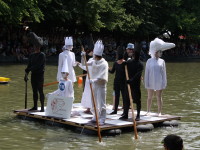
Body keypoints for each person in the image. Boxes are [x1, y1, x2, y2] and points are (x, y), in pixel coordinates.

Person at [144, 38, 175, 116]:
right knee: (149, 97)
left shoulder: (162, 61)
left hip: (159, 81)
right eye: (159, 51)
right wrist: (146, 83)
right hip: (150, 81)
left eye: (161, 51)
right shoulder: (149, 61)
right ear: (155, 52)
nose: (161, 53)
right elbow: (146, 73)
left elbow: (164, 73)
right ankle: (148, 110)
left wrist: (164, 83)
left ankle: (159, 112)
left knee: (159, 97)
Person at [81, 40, 108, 125]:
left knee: (101, 102)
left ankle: (102, 118)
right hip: (94, 85)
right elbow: (84, 64)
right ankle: (95, 115)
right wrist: (83, 56)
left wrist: (93, 80)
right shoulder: (93, 61)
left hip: (100, 85)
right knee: (93, 101)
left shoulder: (104, 63)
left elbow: (102, 76)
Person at [120, 43, 144, 121]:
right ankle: (125, 114)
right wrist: (123, 64)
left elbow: (138, 74)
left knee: (137, 100)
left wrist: (132, 80)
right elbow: (124, 68)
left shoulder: (140, 64)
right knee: (126, 100)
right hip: (128, 84)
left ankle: (138, 115)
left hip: (136, 85)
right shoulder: (129, 62)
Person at [24, 31, 46, 112]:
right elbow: (28, 66)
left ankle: (42, 107)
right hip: (33, 75)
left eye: (37, 46)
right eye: (35, 46)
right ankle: (35, 106)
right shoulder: (32, 55)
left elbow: (38, 66)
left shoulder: (42, 55)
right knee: (34, 91)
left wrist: (29, 69)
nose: (36, 48)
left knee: (40, 91)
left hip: (40, 76)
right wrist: (26, 74)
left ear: (39, 47)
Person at [109, 49, 127, 115]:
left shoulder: (125, 63)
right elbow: (112, 72)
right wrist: (108, 69)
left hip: (123, 82)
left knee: (124, 96)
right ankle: (115, 110)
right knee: (117, 96)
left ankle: (125, 111)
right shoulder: (115, 63)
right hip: (116, 82)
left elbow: (128, 72)